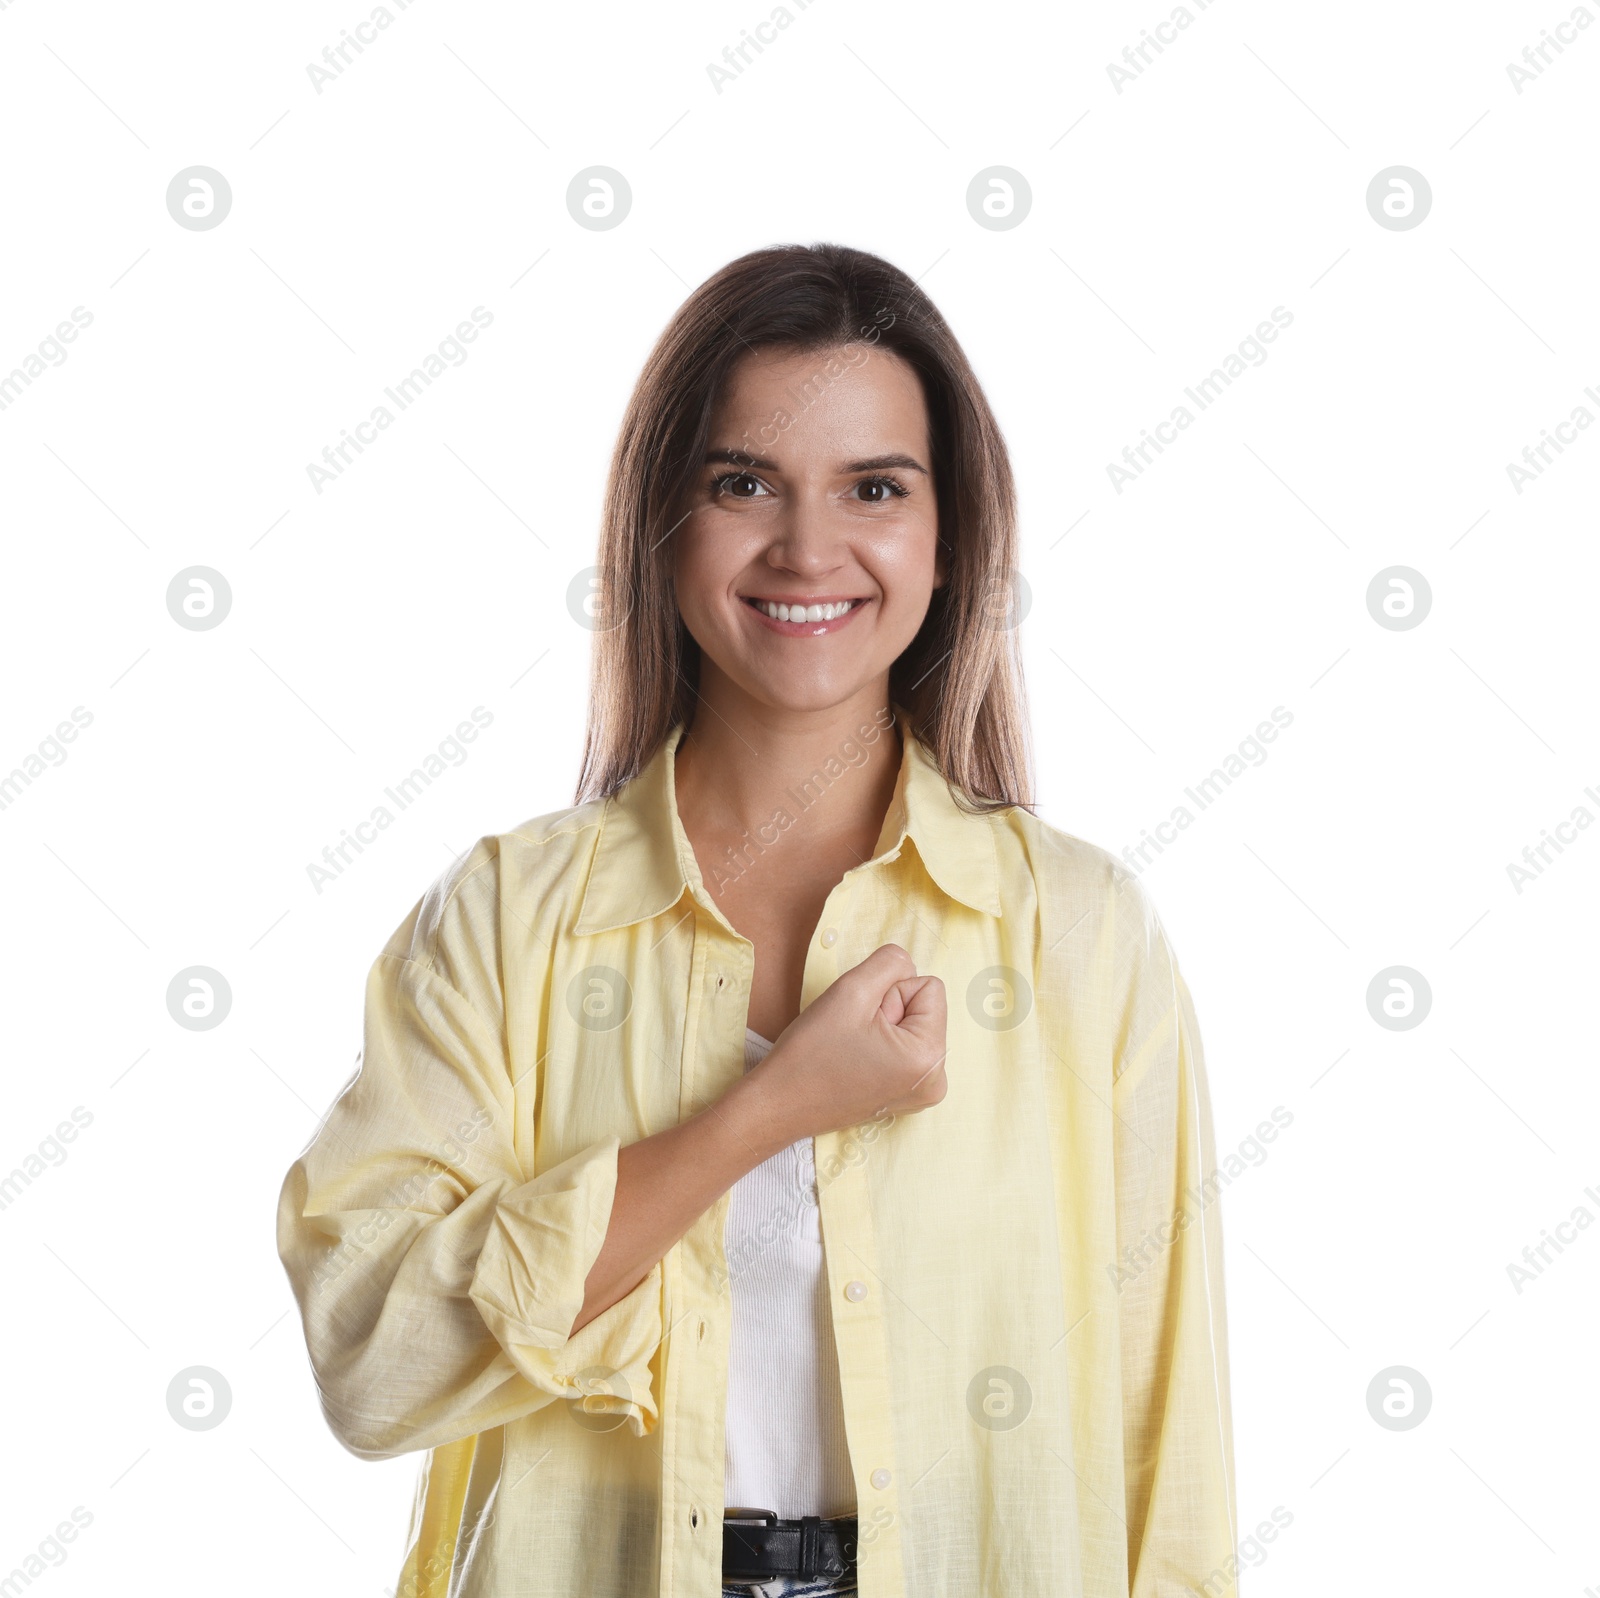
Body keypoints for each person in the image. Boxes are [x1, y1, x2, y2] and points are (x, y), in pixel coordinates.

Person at [277, 242, 1238, 1598]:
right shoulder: (506, 922)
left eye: (875, 488)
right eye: (743, 483)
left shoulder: (1080, 933)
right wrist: (769, 1106)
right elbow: (373, 1363)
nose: (806, 547)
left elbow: (1168, 1441)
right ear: (662, 519)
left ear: (949, 533)